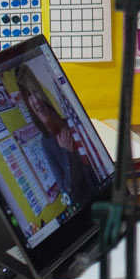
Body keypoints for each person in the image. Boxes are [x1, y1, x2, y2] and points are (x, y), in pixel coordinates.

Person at [17, 66, 105, 206]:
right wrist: (67, 152)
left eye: (35, 91)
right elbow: (70, 197)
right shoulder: (47, 143)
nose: (35, 100)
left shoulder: (75, 120)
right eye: (28, 95)